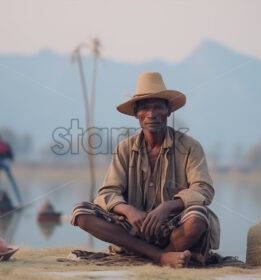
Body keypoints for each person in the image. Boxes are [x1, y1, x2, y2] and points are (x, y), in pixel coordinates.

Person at [71, 72, 220, 268]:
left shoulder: (189, 146)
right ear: (136, 114)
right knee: (81, 212)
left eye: (158, 107)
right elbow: (107, 193)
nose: (151, 114)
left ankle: (152, 255)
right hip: (134, 229)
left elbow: (204, 190)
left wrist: (167, 207)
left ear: (168, 111)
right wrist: (129, 210)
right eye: (145, 108)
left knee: (199, 217)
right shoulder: (124, 148)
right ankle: (162, 257)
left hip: (173, 229)